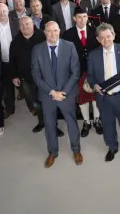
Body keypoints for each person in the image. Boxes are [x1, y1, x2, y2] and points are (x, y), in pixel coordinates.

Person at [31, 21, 82, 168]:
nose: (52, 34)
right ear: (44, 32)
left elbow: (75, 72)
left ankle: (76, 150)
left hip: (66, 94)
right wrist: (52, 92)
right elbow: (36, 75)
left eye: (55, 31)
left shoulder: (70, 46)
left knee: (71, 122)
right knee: (49, 124)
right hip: (48, 95)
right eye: (49, 31)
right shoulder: (37, 50)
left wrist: (63, 92)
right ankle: (52, 152)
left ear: (60, 31)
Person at [87, 23, 120, 162]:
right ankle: (112, 147)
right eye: (102, 38)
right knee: (108, 124)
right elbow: (90, 76)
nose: (106, 40)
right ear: (97, 39)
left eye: (108, 36)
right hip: (104, 97)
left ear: (114, 35)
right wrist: (94, 85)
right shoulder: (93, 55)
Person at [9, 17, 64, 135]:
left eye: (27, 24)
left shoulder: (43, 37)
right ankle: (42, 122)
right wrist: (14, 76)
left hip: (45, 79)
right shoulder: (15, 42)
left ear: (33, 24)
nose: (25, 27)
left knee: (49, 103)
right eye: (22, 25)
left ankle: (54, 126)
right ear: (19, 27)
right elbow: (12, 60)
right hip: (26, 79)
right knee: (35, 103)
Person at [63, 7, 102, 137]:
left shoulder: (95, 32)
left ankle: (97, 120)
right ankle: (86, 121)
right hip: (77, 72)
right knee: (82, 99)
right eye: (79, 17)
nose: (82, 19)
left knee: (95, 97)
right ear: (74, 18)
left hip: (93, 70)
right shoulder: (67, 34)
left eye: (85, 16)